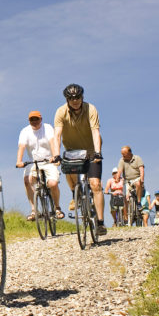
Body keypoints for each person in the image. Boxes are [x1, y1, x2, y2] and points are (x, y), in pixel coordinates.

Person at [50, 83, 106, 234]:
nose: (75, 100)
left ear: (82, 97)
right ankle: (75, 194)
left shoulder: (90, 109)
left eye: (78, 97)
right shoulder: (61, 112)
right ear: (67, 99)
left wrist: (97, 152)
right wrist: (56, 154)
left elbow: (96, 131)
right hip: (72, 151)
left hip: (90, 150)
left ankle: (100, 223)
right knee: (67, 168)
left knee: (96, 184)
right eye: (71, 98)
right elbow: (57, 136)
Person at [15, 110, 63, 220]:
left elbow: (53, 142)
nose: (34, 121)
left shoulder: (47, 128)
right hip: (33, 162)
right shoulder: (25, 131)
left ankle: (57, 208)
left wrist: (55, 156)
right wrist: (19, 161)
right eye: (32, 119)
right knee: (27, 180)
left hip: (48, 161)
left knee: (53, 183)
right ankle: (34, 210)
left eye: (36, 119)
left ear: (41, 119)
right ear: (29, 121)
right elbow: (21, 147)